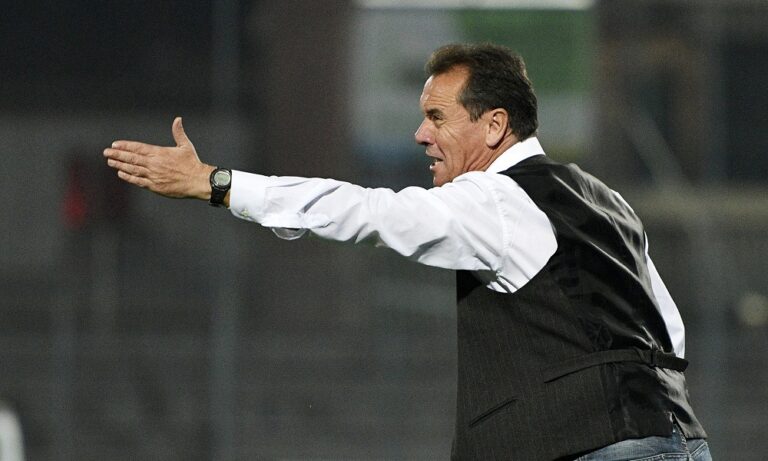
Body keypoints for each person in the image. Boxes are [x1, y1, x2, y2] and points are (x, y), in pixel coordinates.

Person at [103, 43, 710, 460]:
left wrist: (218, 184)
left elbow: (365, 212)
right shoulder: (605, 199)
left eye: (437, 117)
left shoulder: (492, 199)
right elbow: (668, 334)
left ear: (494, 126)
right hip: (678, 438)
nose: (421, 134)